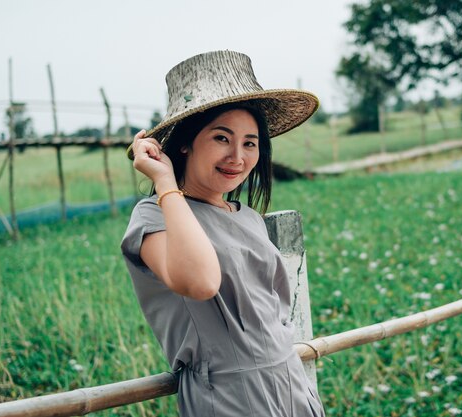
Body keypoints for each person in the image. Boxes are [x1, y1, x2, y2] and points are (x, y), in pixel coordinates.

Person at [120, 50, 325, 417]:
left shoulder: (248, 217)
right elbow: (200, 283)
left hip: (292, 384)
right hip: (230, 397)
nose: (238, 156)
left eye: (250, 142)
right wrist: (165, 181)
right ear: (184, 142)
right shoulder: (153, 216)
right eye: (221, 138)